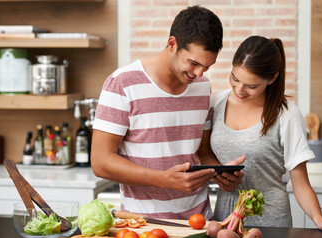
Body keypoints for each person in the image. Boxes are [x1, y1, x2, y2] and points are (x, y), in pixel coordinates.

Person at [91, 5, 245, 220]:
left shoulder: (202, 86)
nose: (199, 73)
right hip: (144, 226)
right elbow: (100, 161)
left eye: (207, 66)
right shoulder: (122, 83)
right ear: (172, 44)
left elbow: (201, 152)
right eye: (193, 63)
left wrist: (219, 173)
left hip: (199, 222)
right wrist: (164, 179)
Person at [210, 35, 322, 235]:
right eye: (235, 78)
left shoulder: (286, 114)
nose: (239, 90)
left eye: (252, 86)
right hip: (224, 222)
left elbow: (301, 183)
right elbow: (202, 153)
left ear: (272, 79)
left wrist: (319, 218)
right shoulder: (215, 104)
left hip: (271, 224)